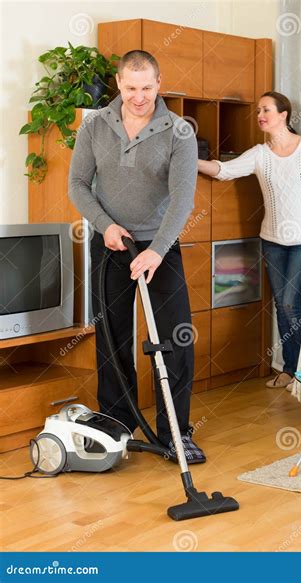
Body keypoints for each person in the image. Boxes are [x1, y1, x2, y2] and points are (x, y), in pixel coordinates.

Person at [69, 50, 206, 463]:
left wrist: (157, 251)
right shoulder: (94, 127)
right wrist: (105, 226)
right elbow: (77, 184)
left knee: (175, 338)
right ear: (118, 83)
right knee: (113, 338)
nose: (139, 96)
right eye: (131, 88)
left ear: (159, 84)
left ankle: (175, 434)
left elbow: (183, 199)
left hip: (159, 247)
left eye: (147, 87)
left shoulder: (179, 132)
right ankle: (117, 426)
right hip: (111, 243)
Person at [198, 91, 301, 390]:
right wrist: (191, 161)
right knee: (280, 304)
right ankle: (290, 369)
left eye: (266, 110)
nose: (260, 115)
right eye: (258, 110)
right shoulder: (259, 154)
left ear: (284, 114)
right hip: (272, 240)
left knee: (290, 304)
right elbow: (224, 171)